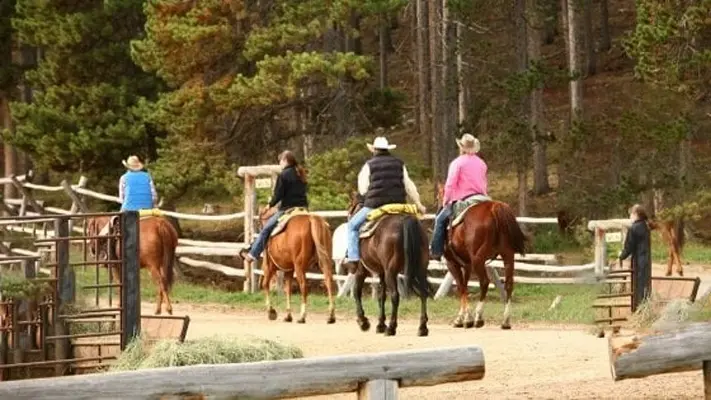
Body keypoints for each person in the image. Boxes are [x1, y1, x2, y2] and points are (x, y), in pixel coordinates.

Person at [343, 137, 426, 269]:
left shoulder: (369, 165)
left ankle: (353, 258)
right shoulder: (400, 164)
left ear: (374, 150)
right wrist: (418, 204)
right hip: (399, 205)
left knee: (352, 226)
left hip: (374, 205)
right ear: (387, 149)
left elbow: (363, 189)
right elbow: (409, 186)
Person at [240, 150, 308, 262]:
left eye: (280, 161)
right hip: (303, 208)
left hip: (288, 208)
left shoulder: (284, 175)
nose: (280, 163)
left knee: (266, 229)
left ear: (285, 161)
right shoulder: (301, 173)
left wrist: (269, 206)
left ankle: (253, 254)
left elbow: (278, 195)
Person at [429, 134, 488, 261]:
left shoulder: (457, 163)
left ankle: (436, 251)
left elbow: (450, 184)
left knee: (439, 220)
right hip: (482, 198)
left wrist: (446, 201)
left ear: (461, 147)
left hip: (464, 200)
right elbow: (484, 183)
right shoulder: (482, 163)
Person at [619, 204, 652, 312]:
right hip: (646, 258)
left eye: (631, 214)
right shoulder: (645, 226)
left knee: (638, 284)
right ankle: (645, 307)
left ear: (636, 214)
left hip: (639, 259)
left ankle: (639, 308)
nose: (630, 216)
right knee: (645, 283)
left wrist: (621, 256)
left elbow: (629, 246)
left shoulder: (634, 228)